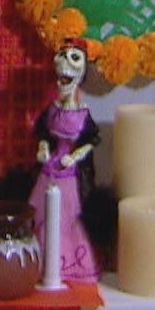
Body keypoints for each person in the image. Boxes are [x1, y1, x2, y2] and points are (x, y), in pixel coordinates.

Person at [30, 40, 101, 283]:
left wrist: (75, 156)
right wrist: (42, 148)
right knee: (40, 215)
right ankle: (39, 261)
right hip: (49, 168)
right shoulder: (51, 110)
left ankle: (66, 264)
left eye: (74, 57)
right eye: (62, 55)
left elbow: (91, 141)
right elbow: (42, 133)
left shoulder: (83, 115)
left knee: (65, 217)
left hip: (68, 172)